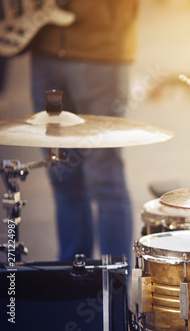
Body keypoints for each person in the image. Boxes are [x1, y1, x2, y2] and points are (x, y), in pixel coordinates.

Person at [29, 1, 139, 262]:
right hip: (44, 45)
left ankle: (115, 285)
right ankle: (72, 280)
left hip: (100, 51)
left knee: (104, 175)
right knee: (61, 174)